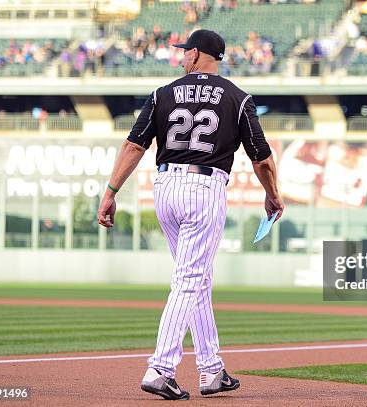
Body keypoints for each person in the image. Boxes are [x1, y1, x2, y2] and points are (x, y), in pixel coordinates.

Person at [97, 29, 284, 400]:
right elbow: (261, 157)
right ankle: (160, 368)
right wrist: (272, 195)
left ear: (197, 54)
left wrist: (111, 191)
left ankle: (212, 369)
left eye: (185, 52)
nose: (182, 57)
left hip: (165, 188)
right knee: (189, 279)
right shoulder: (237, 97)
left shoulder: (162, 93)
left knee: (196, 279)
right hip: (204, 189)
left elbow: (134, 144)